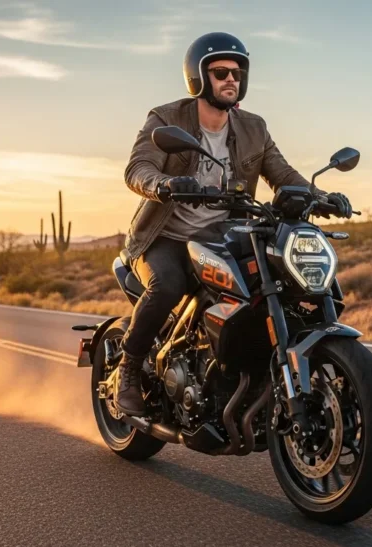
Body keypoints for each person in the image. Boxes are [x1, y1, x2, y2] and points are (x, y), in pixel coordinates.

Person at [116, 32, 353, 416]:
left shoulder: (253, 127)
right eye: (221, 72)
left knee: (275, 284)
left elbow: (283, 174)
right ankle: (128, 370)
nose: (231, 79)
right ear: (197, 77)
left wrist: (319, 196)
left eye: (237, 72)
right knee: (167, 285)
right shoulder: (166, 118)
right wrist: (166, 184)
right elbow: (137, 167)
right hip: (167, 237)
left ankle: (253, 371)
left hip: (226, 236)